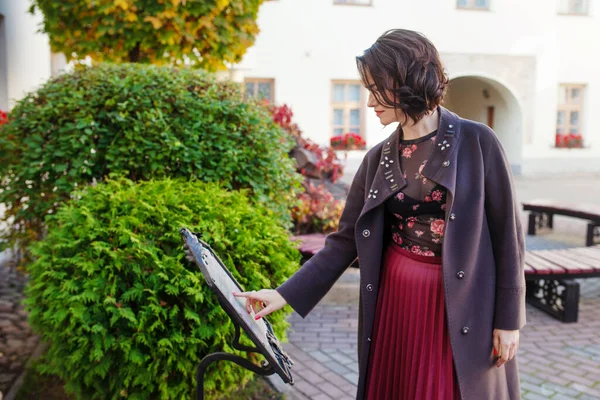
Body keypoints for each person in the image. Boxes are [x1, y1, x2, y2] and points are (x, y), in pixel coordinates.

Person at [234, 29, 526, 400]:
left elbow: (509, 238)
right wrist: (283, 295)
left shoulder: (478, 141)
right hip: (397, 303)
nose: (368, 100)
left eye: (375, 89)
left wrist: (508, 321)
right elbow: (343, 242)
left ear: (406, 81)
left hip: (464, 305)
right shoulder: (378, 158)